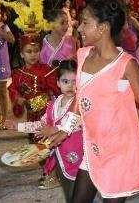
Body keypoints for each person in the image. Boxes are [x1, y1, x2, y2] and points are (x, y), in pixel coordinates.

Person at [48, 0, 139, 202]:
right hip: (93, 148)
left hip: (119, 152)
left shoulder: (125, 65)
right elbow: (80, 95)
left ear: (103, 27)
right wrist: (65, 129)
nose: (79, 27)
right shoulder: (83, 55)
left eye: (85, 22)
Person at [5, 60, 82, 200]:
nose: (70, 85)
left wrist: (54, 129)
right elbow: (41, 125)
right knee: (68, 192)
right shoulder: (53, 104)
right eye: (65, 81)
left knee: (77, 193)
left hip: (78, 156)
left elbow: (78, 123)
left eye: (74, 81)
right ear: (58, 83)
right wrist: (18, 126)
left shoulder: (80, 103)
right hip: (58, 156)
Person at [8, 34, 60, 135]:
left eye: (36, 51)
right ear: (22, 54)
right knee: (35, 142)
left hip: (48, 113)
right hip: (31, 117)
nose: (33, 55)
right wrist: (18, 99)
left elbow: (57, 91)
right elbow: (13, 90)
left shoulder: (47, 70)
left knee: (48, 143)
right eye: (29, 52)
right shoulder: (18, 74)